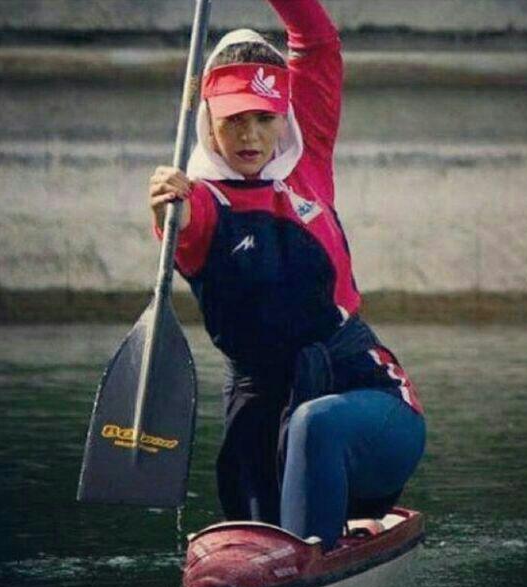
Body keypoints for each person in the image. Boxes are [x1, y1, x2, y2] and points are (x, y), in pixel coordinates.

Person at [148, 0, 425, 551]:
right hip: (259, 412)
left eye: (264, 118)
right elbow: (184, 230)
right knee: (264, 534)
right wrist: (163, 213)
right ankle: (305, 551)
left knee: (316, 424)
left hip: (366, 395)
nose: (251, 136)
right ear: (208, 120)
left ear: (284, 116)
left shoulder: (308, 157)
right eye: (234, 120)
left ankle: (312, 558)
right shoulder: (196, 204)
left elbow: (316, 40)